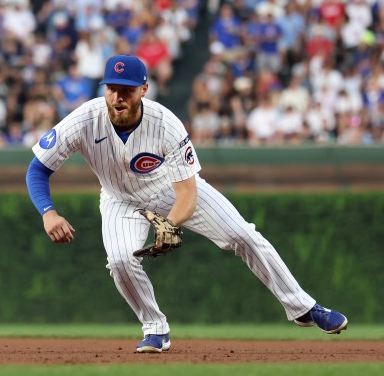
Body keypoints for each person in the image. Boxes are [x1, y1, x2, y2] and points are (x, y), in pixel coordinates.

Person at [25, 55, 348, 353]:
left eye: (126, 89)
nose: (118, 97)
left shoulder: (166, 123)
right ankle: (155, 329)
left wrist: (170, 224)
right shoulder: (84, 118)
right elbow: (38, 168)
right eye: (112, 89)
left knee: (243, 236)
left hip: (170, 189)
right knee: (121, 261)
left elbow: (187, 193)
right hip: (119, 200)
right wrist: (48, 212)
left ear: (144, 89)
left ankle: (304, 308)